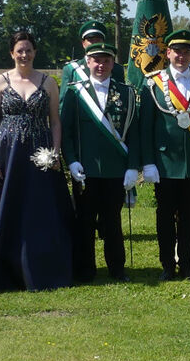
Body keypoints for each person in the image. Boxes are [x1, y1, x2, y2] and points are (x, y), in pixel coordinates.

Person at [0, 30, 75, 290]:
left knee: (40, 212)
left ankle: (42, 268)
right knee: (7, 213)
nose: (24, 54)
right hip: (7, 157)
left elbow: (54, 122)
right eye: (19, 50)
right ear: (11, 53)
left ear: (35, 52)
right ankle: (5, 270)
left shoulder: (48, 82)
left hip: (39, 156)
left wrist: (54, 152)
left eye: (28, 49)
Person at [140, 29, 190, 280]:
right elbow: (146, 128)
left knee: (188, 216)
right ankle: (166, 264)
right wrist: (148, 162)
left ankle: (185, 263)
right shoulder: (153, 82)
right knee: (164, 215)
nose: (182, 56)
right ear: (168, 52)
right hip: (164, 162)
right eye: (177, 51)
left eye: (187, 51)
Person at [60, 42, 141, 282]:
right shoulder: (75, 92)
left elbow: (134, 133)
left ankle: (117, 269)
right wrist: (72, 161)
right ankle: (85, 271)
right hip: (86, 169)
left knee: (113, 222)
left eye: (106, 60)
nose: (101, 65)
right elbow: (67, 132)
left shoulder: (126, 92)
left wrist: (132, 167)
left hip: (116, 170)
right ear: (87, 62)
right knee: (84, 222)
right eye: (96, 60)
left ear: (113, 63)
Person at [60, 20, 125, 97]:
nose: (94, 43)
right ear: (83, 43)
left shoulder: (117, 69)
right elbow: (64, 102)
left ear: (103, 42)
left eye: (98, 40)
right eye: (90, 40)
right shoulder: (71, 70)